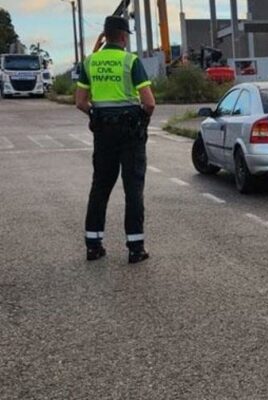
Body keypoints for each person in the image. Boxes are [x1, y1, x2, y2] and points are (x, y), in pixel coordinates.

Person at [75, 16, 155, 264]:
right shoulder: (130, 61)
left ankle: (93, 245)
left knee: (100, 186)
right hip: (130, 133)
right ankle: (135, 248)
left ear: (105, 35)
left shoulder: (90, 62)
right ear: (122, 36)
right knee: (133, 189)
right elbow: (149, 102)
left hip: (103, 133)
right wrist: (141, 118)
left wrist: (97, 115)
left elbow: (80, 101)